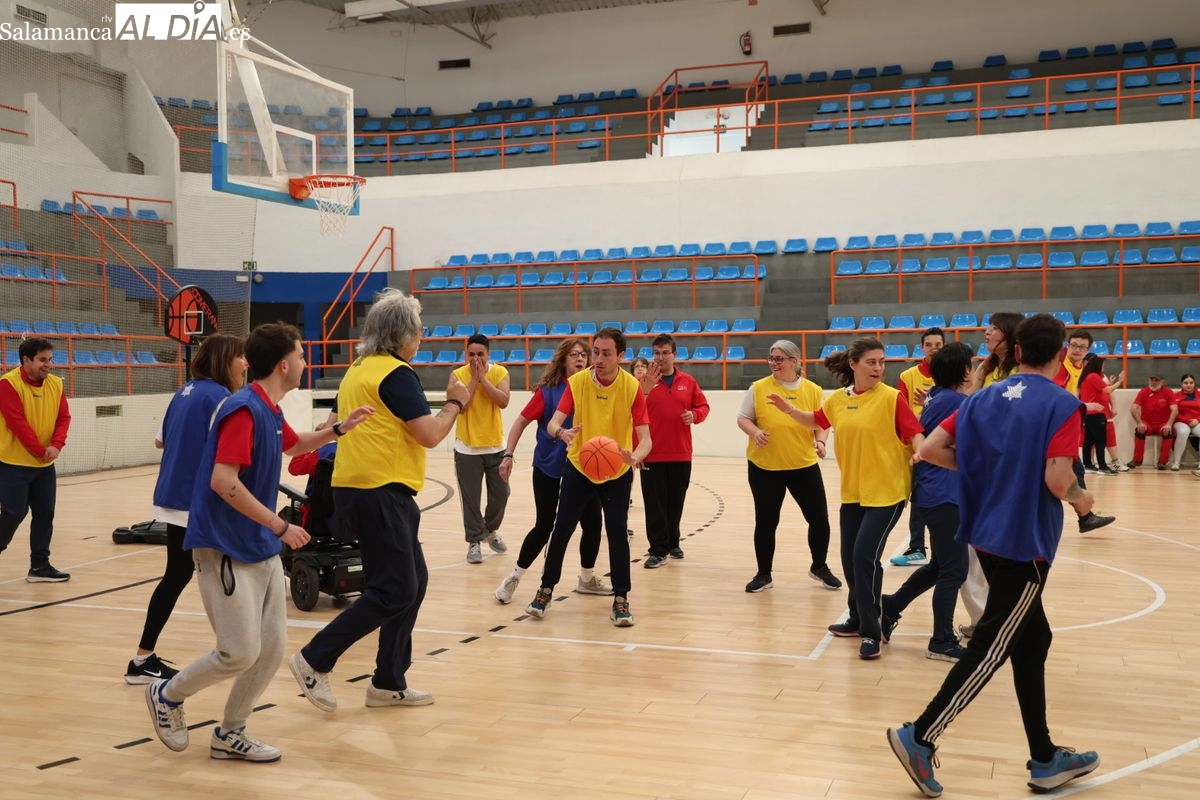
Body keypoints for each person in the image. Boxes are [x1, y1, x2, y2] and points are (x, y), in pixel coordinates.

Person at [888, 314, 1100, 798]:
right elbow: (1058, 480)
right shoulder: (1062, 404)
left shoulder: (980, 398)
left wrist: (982, 470)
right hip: (1025, 542)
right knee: (991, 646)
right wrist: (1082, 499)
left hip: (985, 535)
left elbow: (931, 449)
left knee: (1034, 639)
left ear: (1018, 351)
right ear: (1062, 353)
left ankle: (1044, 757)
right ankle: (920, 735)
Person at [144, 322, 372, 762]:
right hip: (225, 546)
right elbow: (223, 480)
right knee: (237, 652)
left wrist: (339, 430)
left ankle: (231, 732)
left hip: (259, 545)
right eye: (301, 355)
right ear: (284, 364)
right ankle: (167, 694)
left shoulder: (270, 409)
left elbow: (294, 445)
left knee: (269, 652)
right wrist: (280, 526)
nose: (305, 362)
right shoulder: (244, 410)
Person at [288, 289, 468, 714]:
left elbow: (332, 422)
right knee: (395, 589)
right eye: (418, 331)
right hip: (379, 490)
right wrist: (456, 404)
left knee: (413, 582)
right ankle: (315, 658)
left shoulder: (357, 370)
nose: (421, 338)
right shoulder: (396, 374)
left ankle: (388, 681)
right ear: (402, 335)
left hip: (360, 488)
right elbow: (430, 435)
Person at [765, 337, 924, 660]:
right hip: (853, 493)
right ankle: (856, 617)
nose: (878, 368)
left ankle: (872, 630)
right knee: (850, 559)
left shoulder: (891, 398)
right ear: (853, 364)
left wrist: (920, 454)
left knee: (864, 557)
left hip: (888, 493)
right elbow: (816, 421)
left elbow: (915, 434)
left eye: (881, 362)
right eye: (871, 362)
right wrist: (789, 410)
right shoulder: (838, 400)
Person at [125, 333, 247, 685]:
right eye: (240, 356)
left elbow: (160, 440)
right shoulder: (221, 398)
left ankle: (143, 659)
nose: (245, 363)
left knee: (179, 575)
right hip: (195, 500)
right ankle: (235, 651)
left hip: (173, 495)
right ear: (225, 359)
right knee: (226, 572)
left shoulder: (185, 391)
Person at [524, 327, 651, 627]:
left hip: (616, 469)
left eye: (606, 353)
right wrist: (561, 432)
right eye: (595, 352)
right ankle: (545, 590)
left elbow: (646, 439)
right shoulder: (578, 382)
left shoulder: (631, 387)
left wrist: (635, 456)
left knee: (617, 532)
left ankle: (621, 599)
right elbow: (553, 423)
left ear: (621, 356)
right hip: (580, 465)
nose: (598, 358)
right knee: (562, 528)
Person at [493, 338, 610, 603]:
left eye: (584, 355)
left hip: (582, 468)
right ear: (563, 359)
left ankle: (586, 578)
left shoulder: (594, 388)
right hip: (548, 467)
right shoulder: (549, 391)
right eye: (574, 354)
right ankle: (515, 576)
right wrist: (508, 454)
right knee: (545, 525)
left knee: (593, 523)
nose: (580, 359)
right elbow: (520, 422)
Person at [881, 343, 972, 663]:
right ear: (964, 370)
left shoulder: (935, 395)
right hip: (943, 493)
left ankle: (891, 605)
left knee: (940, 566)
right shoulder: (957, 402)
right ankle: (941, 640)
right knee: (955, 571)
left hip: (933, 492)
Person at [736, 339, 840, 593]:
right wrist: (755, 432)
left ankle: (819, 566)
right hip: (765, 467)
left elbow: (822, 423)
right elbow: (743, 418)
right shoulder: (759, 388)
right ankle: (764, 574)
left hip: (803, 466)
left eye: (779, 358)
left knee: (819, 519)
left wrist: (821, 442)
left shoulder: (813, 390)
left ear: (794, 361)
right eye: (771, 358)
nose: (774, 363)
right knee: (766, 522)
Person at [0, 336, 72, 582]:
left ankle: (40, 567)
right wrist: (40, 451)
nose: (48, 364)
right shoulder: (8, 384)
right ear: (26, 360)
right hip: (12, 464)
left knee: (45, 513)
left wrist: (57, 445)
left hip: (44, 465)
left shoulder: (56, 384)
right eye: (42, 360)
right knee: (14, 514)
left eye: (50, 359)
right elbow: (17, 423)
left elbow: (63, 417)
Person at [638, 334, 709, 568]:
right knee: (654, 505)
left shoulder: (688, 381)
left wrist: (695, 415)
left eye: (665, 353)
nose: (660, 358)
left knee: (675, 502)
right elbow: (633, 416)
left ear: (674, 354)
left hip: (681, 453)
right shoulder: (642, 383)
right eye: (656, 353)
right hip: (651, 453)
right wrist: (637, 451)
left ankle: (672, 542)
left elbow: (703, 406)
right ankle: (658, 550)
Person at [451, 333, 511, 563]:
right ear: (466, 354)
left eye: (480, 354)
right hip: (467, 448)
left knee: (502, 494)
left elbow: (503, 401)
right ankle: (474, 541)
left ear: (488, 354)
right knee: (471, 500)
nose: (475, 359)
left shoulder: (500, 372)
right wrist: (474, 380)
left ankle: (490, 530)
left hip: (495, 446)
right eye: (471, 354)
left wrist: (483, 379)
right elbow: (462, 406)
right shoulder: (457, 376)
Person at [891, 326, 945, 568]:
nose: (933, 349)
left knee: (941, 499)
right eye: (929, 345)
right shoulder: (908, 376)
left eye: (938, 345)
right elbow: (900, 413)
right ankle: (917, 547)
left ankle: (941, 548)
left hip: (946, 444)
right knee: (919, 496)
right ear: (922, 348)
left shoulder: (951, 373)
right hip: (918, 445)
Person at [1128, 373, 1177, 469]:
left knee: (1168, 431)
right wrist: (1139, 423)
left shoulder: (1168, 392)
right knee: (1139, 430)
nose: (1153, 382)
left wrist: (1169, 424)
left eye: (1156, 380)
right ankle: (1137, 460)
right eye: (1152, 380)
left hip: (1163, 424)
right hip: (1147, 423)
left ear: (1162, 382)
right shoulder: (1143, 392)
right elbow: (1133, 408)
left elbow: (1175, 410)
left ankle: (1163, 462)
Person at [1169, 373, 1200, 470]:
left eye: (1191, 382)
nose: (1188, 385)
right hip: (1180, 421)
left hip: (1196, 421)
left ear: (1194, 383)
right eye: (1186, 383)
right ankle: (1176, 463)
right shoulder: (1175, 396)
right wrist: (1186, 420)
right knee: (1183, 432)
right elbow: (1174, 412)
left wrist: (1197, 420)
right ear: (1181, 384)